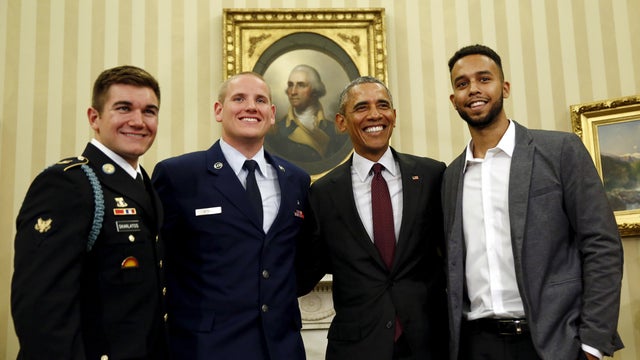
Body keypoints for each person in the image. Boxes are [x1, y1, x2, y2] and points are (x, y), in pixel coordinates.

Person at [442, 44, 624, 360]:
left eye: (484, 79)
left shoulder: (560, 151)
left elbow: (602, 245)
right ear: (453, 99)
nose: (473, 89)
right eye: (462, 83)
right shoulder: (452, 176)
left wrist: (592, 344)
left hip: (553, 344)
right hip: (476, 345)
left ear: (505, 87)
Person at [11, 65, 168, 359]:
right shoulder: (69, 183)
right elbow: (41, 310)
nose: (138, 121)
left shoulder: (146, 185)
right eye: (124, 108)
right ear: (94, 118)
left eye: (149, 111)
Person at [151, 72, 310, 360]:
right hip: (207, 347)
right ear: (218, 110)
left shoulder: (296, 180)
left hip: (281, 348)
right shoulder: (179, 175)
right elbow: (159, 261)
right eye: (239, 99)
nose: (251, 107)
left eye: (260, 100)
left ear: (272, 114)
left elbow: (302, 258)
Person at [297, 76, 448, 359]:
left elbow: (453, 254)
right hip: (357, 347)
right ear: (341, 122)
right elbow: (305, 271)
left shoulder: (431, 176)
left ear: (394, 116)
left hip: (429, 343)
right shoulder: (323, 193)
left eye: (383, 105)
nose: (375, 115)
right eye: (362, 107)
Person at [266, 64, 348, 165]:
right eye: (290, 85)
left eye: (301, 85)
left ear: (315, 90)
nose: (293, 92)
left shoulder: (334, 130)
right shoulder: (277, 131)